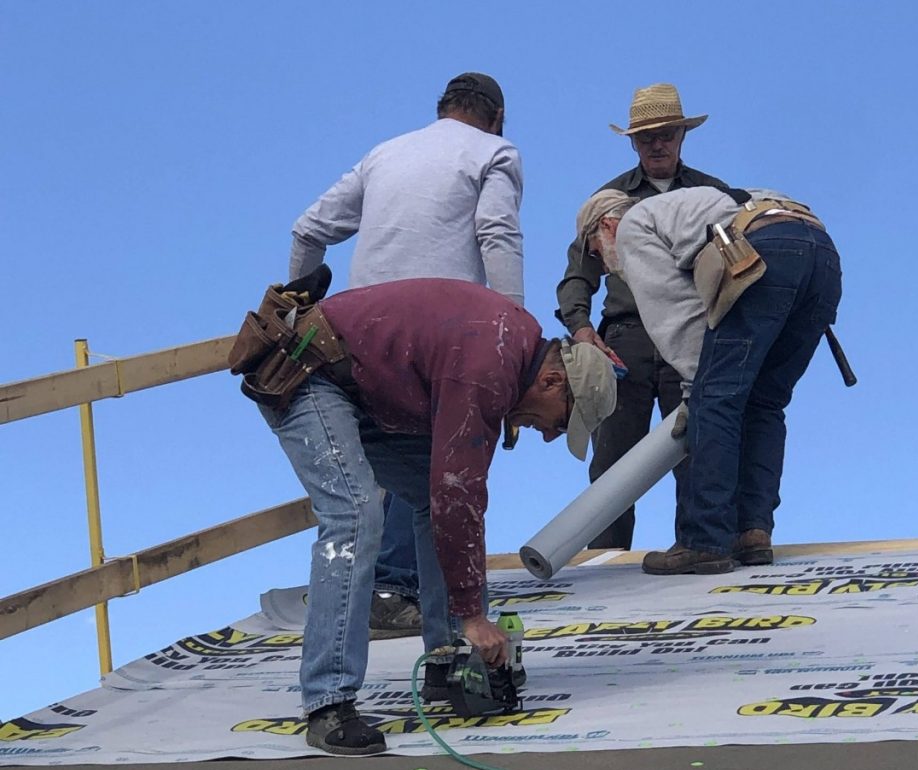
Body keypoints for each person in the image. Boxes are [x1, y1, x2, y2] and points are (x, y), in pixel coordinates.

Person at [257, 276, 616, 756]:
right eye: (561, 420)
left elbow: (457, 497)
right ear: (552, 381)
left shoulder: (512, 351)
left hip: (365, 387)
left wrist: (470, 622)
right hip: (308, 371)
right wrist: (474, 615)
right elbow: (458, 493)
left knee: (431, 499)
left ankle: (449, 666)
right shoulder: (490, 367)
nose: (550, 435)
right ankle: (328, 702)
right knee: (356, 513)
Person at [289, 72, 524, 640]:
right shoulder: (495, 152)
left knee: (378, 476)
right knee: (442, 475)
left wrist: (295, 308)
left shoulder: (385, 153)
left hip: (352, 336)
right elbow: (496, 232)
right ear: (495, 118)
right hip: (445, 337)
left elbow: (308, 229)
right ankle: (431, 617)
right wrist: (514, 333)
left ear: (442, 109)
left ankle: (385, 591)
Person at [577, 184, 842, 575]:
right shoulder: (686, 210)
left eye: (598, 254)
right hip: (820, 253)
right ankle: (751, 532)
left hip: (766, 251)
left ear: (606, 227)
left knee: (715, 397)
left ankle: (705, 541)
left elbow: (679, 321)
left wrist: (695, 394)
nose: (604, 267)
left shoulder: (634, 225)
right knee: (764, 402)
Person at [555, 83, 732, 551]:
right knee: (613, 461)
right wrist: (582, 329)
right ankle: (604, 566)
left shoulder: (713, 194)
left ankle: (700, 552)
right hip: (626, 341)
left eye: (666, 133)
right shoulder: (607, 198)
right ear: (633, 141)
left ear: (682, 136)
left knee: (698, 451)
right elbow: (576, 276)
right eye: (647, 136)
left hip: (691, 339)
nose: (657, 144)